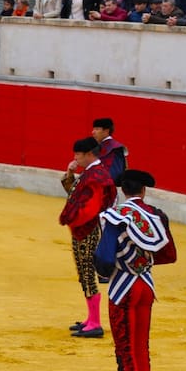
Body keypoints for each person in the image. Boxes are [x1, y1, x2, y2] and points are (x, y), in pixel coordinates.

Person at [95, 169, 172, 371]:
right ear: (144, 191)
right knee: (140, 346)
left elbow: (104, 262)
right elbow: (169, 254)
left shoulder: (115, 216)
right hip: (146, 285)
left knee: (125, 349)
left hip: (123, 287)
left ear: (122, 190)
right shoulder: (157, 216)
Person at [59, 137, 118, 338]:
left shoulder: (97, 176)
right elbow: (74, 195)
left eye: (78, 154)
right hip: (85, 229)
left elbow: (89, 209)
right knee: (84, 272)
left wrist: (73, 220)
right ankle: (90, 318)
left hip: (89, 229)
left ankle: (95, 322)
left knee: (87, 273)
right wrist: (69, 174)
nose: (75, 158)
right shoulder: (91, 173)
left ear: (89, 154)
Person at [92, 118, 129, 183]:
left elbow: (115, 174)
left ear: (106, 131)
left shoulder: (114, 148)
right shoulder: (100, 147)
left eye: (97, 129)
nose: (93, 132)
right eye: (93, 129)